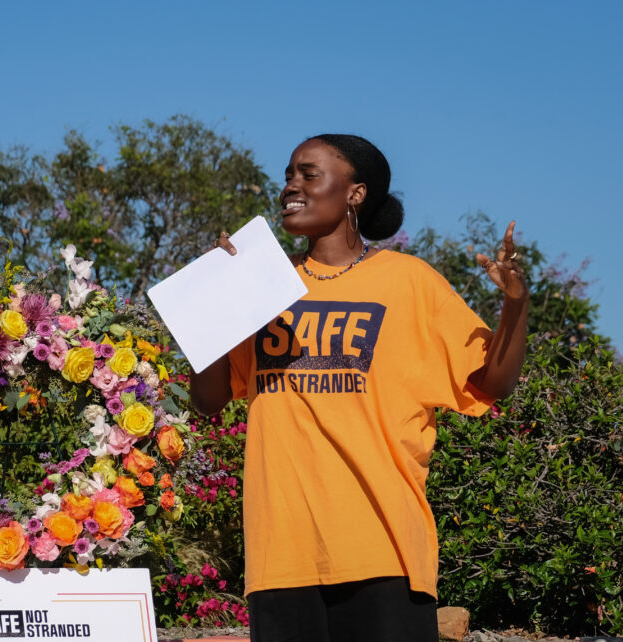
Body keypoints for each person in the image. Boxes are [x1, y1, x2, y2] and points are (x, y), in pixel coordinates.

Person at [189, 134, 528, 642]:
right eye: (288, 175)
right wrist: (212, 300)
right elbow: (207, 400)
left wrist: (516, 304)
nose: (291, 186)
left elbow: (493, 383)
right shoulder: (261, 286)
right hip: (281, 554)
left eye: (308, 174)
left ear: (355, 193)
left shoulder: (409, 281)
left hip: (383, 548)